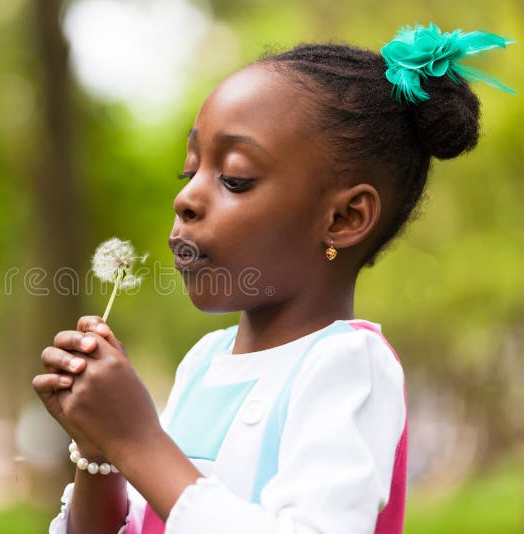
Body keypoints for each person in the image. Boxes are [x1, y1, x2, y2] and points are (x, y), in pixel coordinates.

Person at [32, 22, 515, 534]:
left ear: (344, 219)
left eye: (234, 178)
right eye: (189, 172)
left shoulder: (349, 367)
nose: (185, 199)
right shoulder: (203, 363)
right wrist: (99, 450)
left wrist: (136, 440)